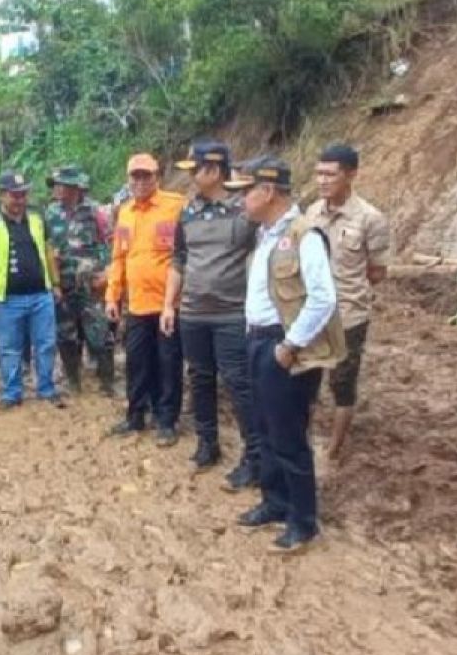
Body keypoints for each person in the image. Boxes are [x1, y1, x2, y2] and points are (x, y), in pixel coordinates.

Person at [228, 156, 345, 553]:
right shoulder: (266, 234)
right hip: (259, 341)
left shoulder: (303, 235)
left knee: (289, 435)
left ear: (268, 192)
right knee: (265, 428)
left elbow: (324, 298)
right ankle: (274, 503)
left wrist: (289, 346)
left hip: (282, 345)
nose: (242, 200)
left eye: (246, 192)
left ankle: (303, 521)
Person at [162, 140, 260, 484]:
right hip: (192, 314)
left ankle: (254, 456)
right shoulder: (188, 212)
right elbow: (179, 259)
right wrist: (168, 305)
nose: (189, 177)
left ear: (215, 170)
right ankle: (208, 443)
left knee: (238, 384)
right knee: (200, 379)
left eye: (195, 170)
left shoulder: (246, 211)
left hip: (232, 314)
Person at [305, 143, 390, 464]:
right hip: (312, 314)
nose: (323, 181)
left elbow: (377, 271)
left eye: (331, 174)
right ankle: (307, 435)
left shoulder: (370, 219)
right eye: (319, 174)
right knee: (307, 378)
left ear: (351, 175)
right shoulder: (312, 213)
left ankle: (334, 449)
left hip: (348, 315)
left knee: (342, 381)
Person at [105, 153, 186, 446]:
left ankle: (166, 420)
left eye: (146, 176)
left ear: (157, 177)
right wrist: (112, 296)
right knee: (136, 362)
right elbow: (118, 258)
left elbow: (185, 254)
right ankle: (135, 415)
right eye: (135, 176)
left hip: (169, 305)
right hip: (137, 305)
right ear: (128, 179)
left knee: (168, 363)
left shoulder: (176, 206)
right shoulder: (124, 212)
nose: (140, 182)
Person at [0, 171, 65, 409]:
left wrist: (55, 284)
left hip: (40, 295)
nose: (19, 200)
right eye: (14, 195)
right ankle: (12, 393)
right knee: (10, 348)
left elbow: (48, 251)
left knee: (45, 344)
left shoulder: (37, 216)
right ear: (1, 195)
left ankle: (46, 388)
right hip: (6, 298)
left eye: (23, 194)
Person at [46, 164, 115, 395]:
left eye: (61, 185)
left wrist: (106, 274)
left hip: (91, 282)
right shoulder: (51, 213)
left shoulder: (95, 211)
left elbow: (108, 243)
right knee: (65, 332)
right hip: (62, 282)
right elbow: (48, 247)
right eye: (56, 185)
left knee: (99, 331)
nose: (57, 189)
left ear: (74, 187)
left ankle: (107, 382)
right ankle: (73, 381)